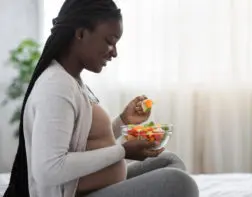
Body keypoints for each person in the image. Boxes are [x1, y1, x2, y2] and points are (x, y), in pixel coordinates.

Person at [4, 0, 199, 197]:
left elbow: (84, 145)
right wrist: (122, 151)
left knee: (169, 162)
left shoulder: (72, 80)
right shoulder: (56, 86)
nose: (114, 52)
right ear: (80, 33)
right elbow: (49, 170)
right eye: (109, 41)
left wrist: (123, 121)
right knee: (179, 183)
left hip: (95, 186)